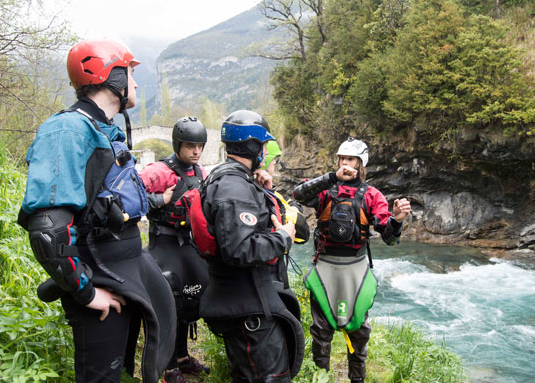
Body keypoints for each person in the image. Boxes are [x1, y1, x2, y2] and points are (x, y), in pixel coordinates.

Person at [17, 38, 176, 383]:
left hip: (124, 270)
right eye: (130, 75)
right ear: (113, 77)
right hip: (101, 276)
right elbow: (48, 228)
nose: (135, 84)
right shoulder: (67, 130)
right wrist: (86, 292)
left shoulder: (104, 131)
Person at [191, 110, 305, 382]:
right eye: (264, 146)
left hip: (246, 303)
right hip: (249, 311)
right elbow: (239, 249)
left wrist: (264, 190)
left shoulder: (234, 180)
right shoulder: (234, 188)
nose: (265, 152)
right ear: (253, 145)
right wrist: (284, 237)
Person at [293, 137, 412, 383]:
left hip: (356, 269)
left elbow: (389, 238)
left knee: (359, 330)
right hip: (325, 266)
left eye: (351, 159)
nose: (346, 163)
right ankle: (321, 376)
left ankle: (357, 379)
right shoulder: (325, 189)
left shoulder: (372, 195)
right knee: (320, 330)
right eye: (342, 159)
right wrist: (331, 177)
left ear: (361, 164)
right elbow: (299, 194)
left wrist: (397, 219)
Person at [139, 116, 210, 383]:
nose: (196, 151)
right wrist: (160, 199)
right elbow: (124, 192)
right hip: (164, 245)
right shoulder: (158, 171)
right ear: (178, 144)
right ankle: (168, 367)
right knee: (169, 304)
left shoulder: (200, 172)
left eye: (200, 146)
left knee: (191, 301)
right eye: (191, 145)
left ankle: (181, 357)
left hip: (187, 244)